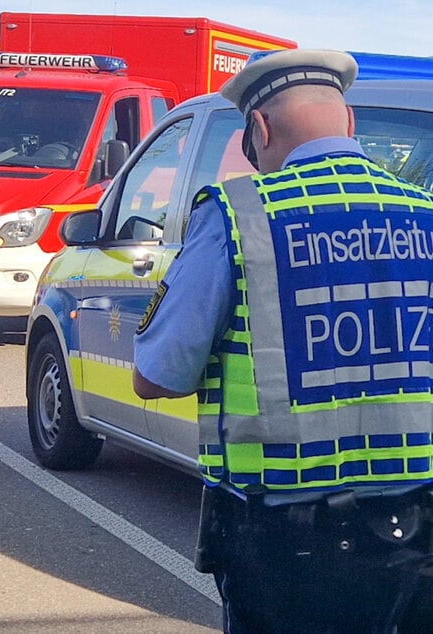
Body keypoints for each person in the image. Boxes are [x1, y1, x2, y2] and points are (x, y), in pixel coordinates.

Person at [131, 49, 433, 633]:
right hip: (420, 527)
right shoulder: (425, 214)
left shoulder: (237, 214)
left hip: (283, 541)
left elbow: (158, 375)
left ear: (258, 129)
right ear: (349, 125)